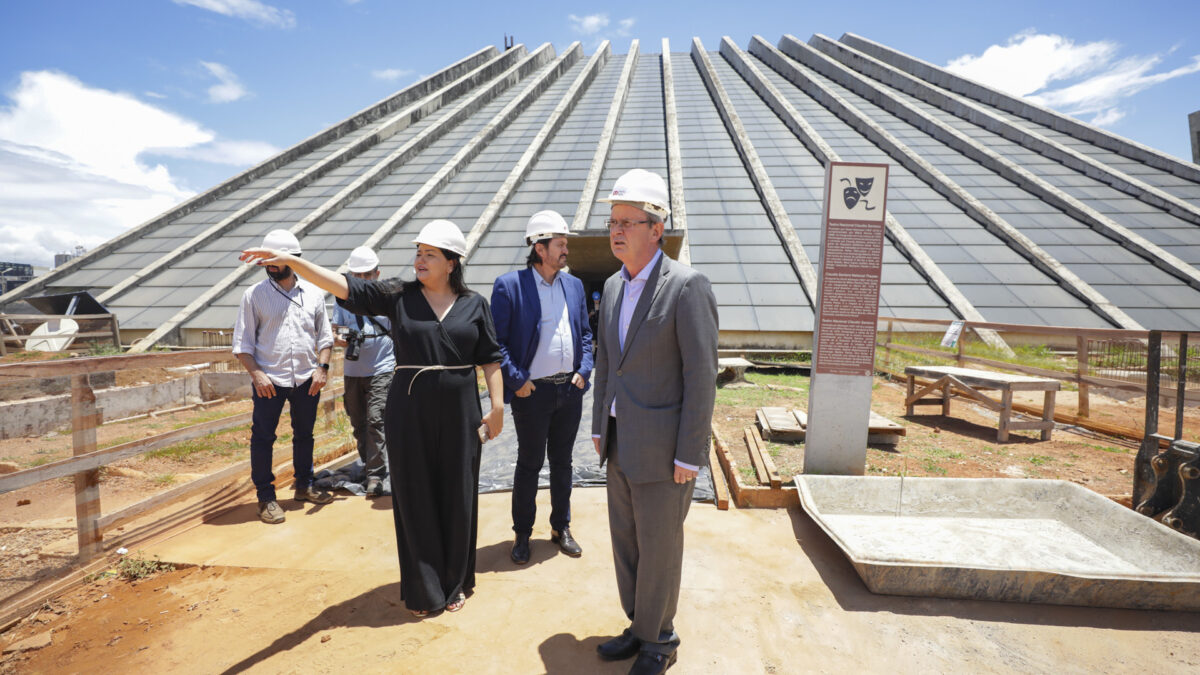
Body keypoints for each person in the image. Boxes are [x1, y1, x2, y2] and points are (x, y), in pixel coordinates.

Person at [238, 220, 504, 617]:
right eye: (418, 253)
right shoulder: (399, 295)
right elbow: (344, 286)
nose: (420, 260)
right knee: (415, 499)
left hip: (460, 411)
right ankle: (424, 588)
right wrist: (296, 261)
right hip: (409, 410)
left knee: (457, 495)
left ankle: (456, 581)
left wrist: (497, 408)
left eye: (430, 254)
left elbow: (490, 357)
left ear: (452, 262)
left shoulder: (474, 304)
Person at [589, 170, 719, 675]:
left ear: (657, 228)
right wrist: (600, 423)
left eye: (629, 221)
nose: (617, 230)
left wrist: (691, 452)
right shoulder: (613, 286)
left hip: (667, 451)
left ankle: (661, 639)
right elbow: (606, 362)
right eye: (613, 221)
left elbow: (701, 374)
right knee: (626, 539)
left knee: (660, 546)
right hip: (620, 440)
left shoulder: (687, 286)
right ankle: (639, 626)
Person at [490, 210, 593, 565]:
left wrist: (584, 370)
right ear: (539, 248)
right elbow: (497, 343)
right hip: (532, 395)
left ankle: (560, 528)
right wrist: (517, 381)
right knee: (529, 463)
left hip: (569, 390)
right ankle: (522, 532)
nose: (566, 251)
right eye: (560, 245)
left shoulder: (574, 285)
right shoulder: (510, 286)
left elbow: (585, 334)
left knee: (563, 462)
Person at [231, 229, 336, 525]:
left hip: (306, 379)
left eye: (275, 260)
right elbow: (243, 344)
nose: (270, 266)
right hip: (270, 381)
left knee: (305, 435)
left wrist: (322, 368)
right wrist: (257, 375)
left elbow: (325, 339)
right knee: (263, 438)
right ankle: (266, 499)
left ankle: (304, 485)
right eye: (266, 261)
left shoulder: (314, 295)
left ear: (293, 260)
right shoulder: (254, 295)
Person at [331, 246, 395, 497]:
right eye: (357, 275)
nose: (363, 280)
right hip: (353, 370)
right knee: (358, 422)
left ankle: (376, 476)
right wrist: (341, 339)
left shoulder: (388, 298)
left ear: (377, 274)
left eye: (367, 275)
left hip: (382, 367)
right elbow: (336, 330)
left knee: (375, 419)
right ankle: (369, 464)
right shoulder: (342, 298)